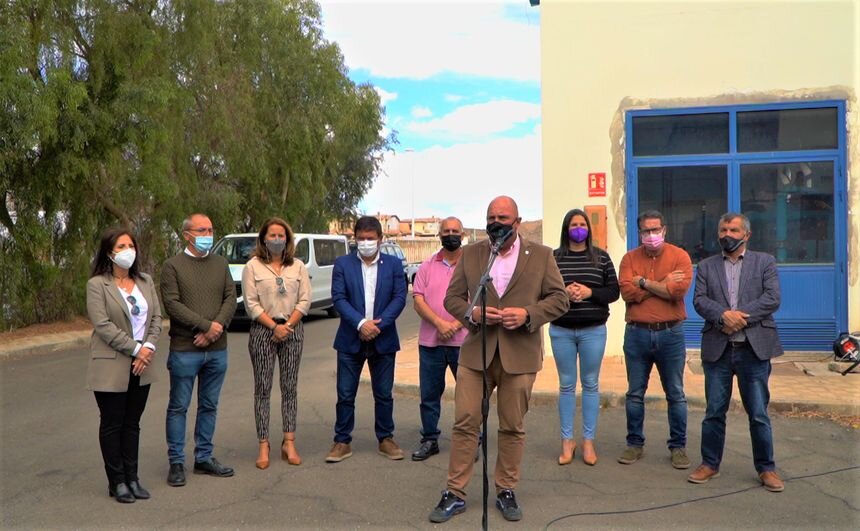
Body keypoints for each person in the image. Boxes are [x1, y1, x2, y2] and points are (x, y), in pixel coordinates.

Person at [429, 196, 569, 523]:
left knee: (512, 426)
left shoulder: (542, 255)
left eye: (503, 217)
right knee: (465, 422)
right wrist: (472, 313)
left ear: (517, 222)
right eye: (491, 216)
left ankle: (505, 489)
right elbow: (452, 298)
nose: (496, 222)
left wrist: (528, 314)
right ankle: (455, 492)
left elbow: (559, 300)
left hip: (519, 355)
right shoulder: (475, 253)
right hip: (477, 353)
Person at [689, 213, 785, 492]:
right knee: (714, 411)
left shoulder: (764, 262)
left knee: (758, 413)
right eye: (722, 229)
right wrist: (722, 316)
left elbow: (772, 298)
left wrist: (739, 317)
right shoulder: (707, 266)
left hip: (753, 349)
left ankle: (766, 468)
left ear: (746, 235)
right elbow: (700, 300)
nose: (727, 234)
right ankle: (709, 464)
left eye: (733, 229)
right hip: (719, 349)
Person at [161, 213, 237, 486]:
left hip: (217, 351)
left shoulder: (220, 263)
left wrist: (216, 327)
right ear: (187, 234)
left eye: (210, 229)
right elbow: (172, 304)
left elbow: (230, 297)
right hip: (185, 349)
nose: (207, 234)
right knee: (178, 406)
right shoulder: (172, 266)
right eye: (201, 230)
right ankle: (177, 462)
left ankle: (204, 457)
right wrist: (206, 326)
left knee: (209, 405)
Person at [86, 227, 161, 503]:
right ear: (109, 252)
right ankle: (116, 481)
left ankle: (133, 477)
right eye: (121, 247)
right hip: (111, 364)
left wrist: (148, 347)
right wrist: (136, 349)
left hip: (143, 364)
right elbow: (103, 326)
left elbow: (156, 318)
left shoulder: (145, 281)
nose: (128, 250)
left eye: (131, 245)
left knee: (133, 424)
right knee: (112, 423)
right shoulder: (97, 285)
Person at [326, 216, 407, 463]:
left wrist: (378, 325)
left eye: (370, 239)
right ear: (355, 239)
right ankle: (342, 441)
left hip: (383, 337)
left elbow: (400, 296)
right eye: (361, 238)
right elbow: (338, 298)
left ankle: (385, 438)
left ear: (380, 240)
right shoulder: (343, 264)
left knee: (383, 393)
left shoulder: (393, 264)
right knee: (345, 393)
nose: (365, 243)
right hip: (351, 338)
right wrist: (361, 324)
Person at [617, 210, 693, 469]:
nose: (651, 235)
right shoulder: (629, 258)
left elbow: (677, 291)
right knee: (635, 393)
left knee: (676, 394)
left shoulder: (680, 256)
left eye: (655, 230)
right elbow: (627, 293)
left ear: (664, 229)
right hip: (637, 333)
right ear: (639, 233)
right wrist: (660, 283)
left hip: (671, 333)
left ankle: (678, 447)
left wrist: (643, 283)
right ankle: (634, 444)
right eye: (646, 231)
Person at [549, 209, 619, 466]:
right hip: (561, 330)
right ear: (566, 228)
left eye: (582, 224)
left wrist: (590, 292)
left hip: (593, 330)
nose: (578, 228)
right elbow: (542, 291)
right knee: (566, 385)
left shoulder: (600, 258)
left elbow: (613, 291)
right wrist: (563, 294)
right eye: (573, 224)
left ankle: (588, 441)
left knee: (590, 384)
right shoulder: (553, 258)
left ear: (588, 228)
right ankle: (567, 441)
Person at [242, 217, 311, 469]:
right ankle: (264, 444)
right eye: (272, 235)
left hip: (292, 329)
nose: (277, 240)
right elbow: (251, 303)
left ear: (288, 239)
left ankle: (288, 441)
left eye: (281, 236)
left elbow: (304, 301)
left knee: (289, 387)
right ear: (263, 239)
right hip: (263, 330)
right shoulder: (252, 267)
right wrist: (274, 327)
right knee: (262, 389)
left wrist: (287, 327)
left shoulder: (298, 267)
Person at [410, 216, 469, 461]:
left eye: (455, 230)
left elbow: (477, 299)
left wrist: (455, 325)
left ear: (463, 234)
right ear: (439, 235)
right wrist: (439, 324)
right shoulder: (426, 266)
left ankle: (471, 440)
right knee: (429, 395)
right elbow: (418, 298)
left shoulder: (472, 265)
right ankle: (430, 439)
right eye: (446, 231)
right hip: (431, 343)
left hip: (464, 342)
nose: (450, 234)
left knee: (469, 396)